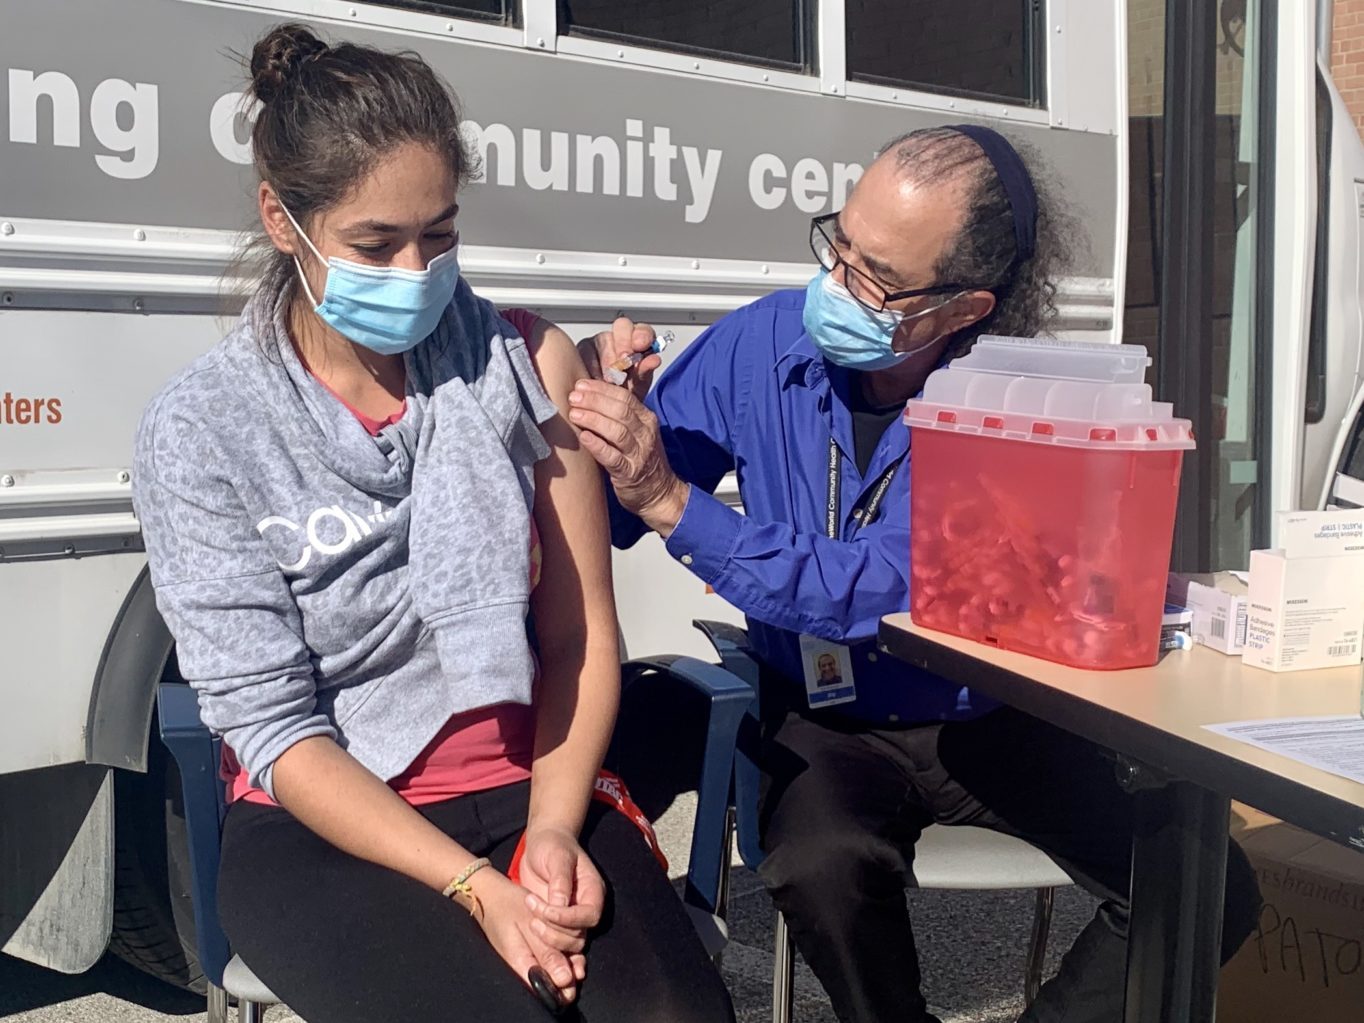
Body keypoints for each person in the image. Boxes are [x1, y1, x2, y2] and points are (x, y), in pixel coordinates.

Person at [573, 125, 1261, 1023]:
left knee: (1210, 889)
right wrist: (601, 412)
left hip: (987, 710)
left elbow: (868, 584)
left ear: (965, 309)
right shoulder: (762, 345)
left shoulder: (1006, 410)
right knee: (821, 863)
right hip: (826, 715)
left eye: (877, 279)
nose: (837, 286)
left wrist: (671, 499)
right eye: (841, 246)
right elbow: (620, 509)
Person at [132, 24, 733, 1023]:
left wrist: (550, 832)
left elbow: (578, 634)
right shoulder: (202, 431)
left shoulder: (527, 363)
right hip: (326, 826)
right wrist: (474, 888)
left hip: (527, 781)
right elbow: (277, 730)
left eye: (440, 235)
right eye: (376, 244)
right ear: (283, 220)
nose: (416, 270)